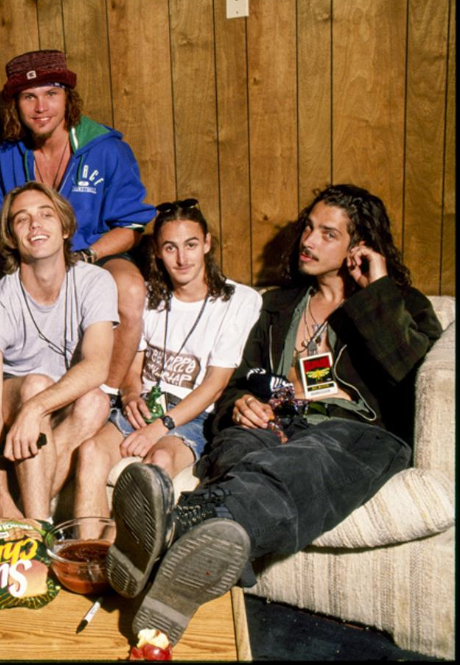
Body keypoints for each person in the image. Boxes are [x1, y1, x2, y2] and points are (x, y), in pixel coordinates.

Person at [103, 185, 443, 646]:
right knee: (236, 445)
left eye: (327, 234)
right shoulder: (278, 306)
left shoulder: (400, 304)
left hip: (353, 435)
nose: (308, 240)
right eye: (308, 227)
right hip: (272, 424)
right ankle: (194, 560)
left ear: (357, 247)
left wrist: (376, 288)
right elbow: (242, 379)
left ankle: (179, 527)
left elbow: (410, 373)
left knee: (305, 462)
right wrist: (242, 401)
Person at [0, 49, 155, 415]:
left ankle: (104, 397)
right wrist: (22, 259)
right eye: (29, 97)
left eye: (51, 94)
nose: (40, 107)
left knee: (131, 288)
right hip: (29, 256)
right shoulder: (8, 154)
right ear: (16, 105)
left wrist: (86, 256)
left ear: (68, 98)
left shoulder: (105, 148)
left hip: (94, 256)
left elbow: (131, 227)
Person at [73, 199, 261, 518]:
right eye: (170, 248)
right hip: (145, 404)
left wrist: (159, 428)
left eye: (190, 245)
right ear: (158, 252)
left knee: (158, 461)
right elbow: (135, 365)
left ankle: (126, 558)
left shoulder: (239, 300)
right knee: (89, 451)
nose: (182, 258)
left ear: (206, 243)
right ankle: (87, 557)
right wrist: (131, 393)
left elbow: (215, 385)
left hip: (193, 415)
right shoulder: (149, 297)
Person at [0, 182, 117, 521]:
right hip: (14, 408)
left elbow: (97, 367)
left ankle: (29, 520)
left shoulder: (95, 281)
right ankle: (38, 530)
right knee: (35, 383)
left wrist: (34, 410)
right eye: (22, 220)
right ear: (10, 237)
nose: (35, 225)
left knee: (96, 401)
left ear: (65, 228)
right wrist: (0, 499)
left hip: (47, 411)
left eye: (45, 215)